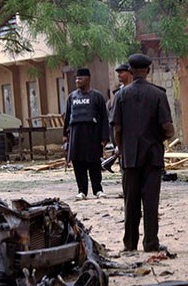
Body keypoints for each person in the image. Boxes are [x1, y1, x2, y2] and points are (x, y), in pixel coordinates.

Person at [112, 53, 175, 252]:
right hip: (153, 155)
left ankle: (130, 244)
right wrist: (160, 138)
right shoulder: (158, 94)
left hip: (129, 157)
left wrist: (122, 150)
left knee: (130, 203)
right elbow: (168, 128)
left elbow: (117, 129)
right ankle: (150, 243)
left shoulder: (120, 96)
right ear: (148, 70)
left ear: (130, 71)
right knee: (150, 202)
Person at [63, 68, 109, 199]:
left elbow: (104, 118)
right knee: (78, 163)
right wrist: (65, 135)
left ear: (88, 79)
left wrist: (104, 136)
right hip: (76, 136)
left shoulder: (97, 96)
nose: (77, 81)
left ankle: (98, 190)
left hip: (92, 135)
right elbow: (67, 117)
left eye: (80, 78)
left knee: (94, 163)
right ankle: (82, 191)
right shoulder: (72, 97)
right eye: (76, 79)